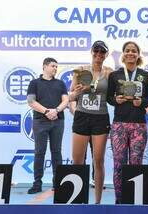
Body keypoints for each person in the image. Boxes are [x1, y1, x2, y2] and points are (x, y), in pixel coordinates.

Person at [107, 41, 148, 204]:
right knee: (118, 163)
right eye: (127, 50)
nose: (131, 53)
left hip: (139, 125)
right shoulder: (114, 75)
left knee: (136, 163)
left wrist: (141, 102)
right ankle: (119, 200)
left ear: (138, 54)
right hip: (119, 124)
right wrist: (116, 99)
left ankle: (135, 198)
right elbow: (109, 98)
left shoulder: (147, 76)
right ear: (123, 54)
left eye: (134, 51)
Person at [69, 40, 112, 204]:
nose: (99, 54)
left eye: (102, 52)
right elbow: (72, 95)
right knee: (78, 161)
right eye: (96, 51)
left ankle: (97, 202)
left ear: (106, 55)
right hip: (82, 116)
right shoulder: (80, 71)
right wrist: (77, 94)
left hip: (100, 118)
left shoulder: (109, 73)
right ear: (92, 52)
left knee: (98, 160)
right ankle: (78, 200)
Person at [26, 57, 69, 194]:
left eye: (56, 66)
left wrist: (55, 110)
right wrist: (46, 111)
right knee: (39, 152)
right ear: (44, 66)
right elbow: (31, 101)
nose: (55, 68)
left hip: (58, 121)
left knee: (57, 153)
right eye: (53, 66)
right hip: (40, 121)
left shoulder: (61, 83)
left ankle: (58, 184)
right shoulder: (34, 83)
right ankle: (37, 184)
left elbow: (66, 100)